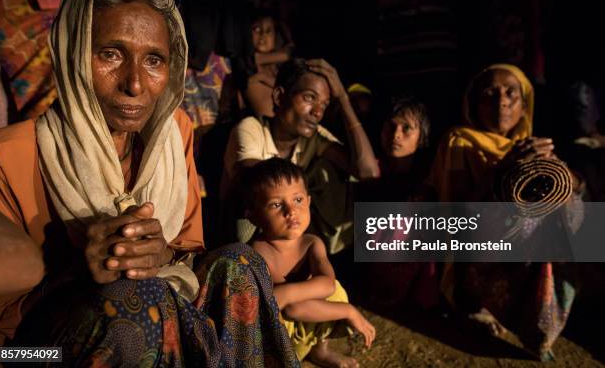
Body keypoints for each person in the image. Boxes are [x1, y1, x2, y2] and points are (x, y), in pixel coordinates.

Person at [0, 0, 299, 366]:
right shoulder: (9, 155)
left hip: (162, 312)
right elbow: (2, 342)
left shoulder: (174, 135)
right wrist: (75, 274)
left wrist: (161, 255)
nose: (135, 84)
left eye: (154, 60)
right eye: (111, 54)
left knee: (241, 263)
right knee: (137, 298)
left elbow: (188, 250)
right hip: (34, 354)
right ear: (71, 53)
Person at [428, 63, 583, 361]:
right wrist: (504, 168)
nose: (501, 100)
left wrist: (559, 171)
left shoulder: (527, 146)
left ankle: (542, 318)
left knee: (570, 211)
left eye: (511, 92)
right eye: (490, 92)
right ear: (473, 103)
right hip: (476, 251)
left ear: (525, 105)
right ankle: (478, 304)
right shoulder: (459, 141)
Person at [221, 58, 379, 252]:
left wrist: (344, 99)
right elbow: (251, 183)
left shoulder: (314, 137)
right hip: (243, 244)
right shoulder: (251, 129)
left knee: (326, 172)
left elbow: (368, 171)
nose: (318, 112)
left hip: (289, 239)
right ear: (279, 96)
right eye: (310, 98)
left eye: (325, 104)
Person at [246, 158, 375, 367]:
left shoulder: (311, 243)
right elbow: (279, 309)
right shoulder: (255, 254)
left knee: (337, 293)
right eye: (276, 204)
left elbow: (327, 285)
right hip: (275, 344)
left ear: (308, 201)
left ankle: (319, 351)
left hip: (308, 320)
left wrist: (347, 309)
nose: (291, 211)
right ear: (253, 217)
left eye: (297, 200)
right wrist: (346, 310)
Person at [358, 97, 438, 309]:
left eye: (407, 128)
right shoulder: (372, 167)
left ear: (422, 137)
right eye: (391, 126)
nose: (396, 135)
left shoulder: (430, 177)